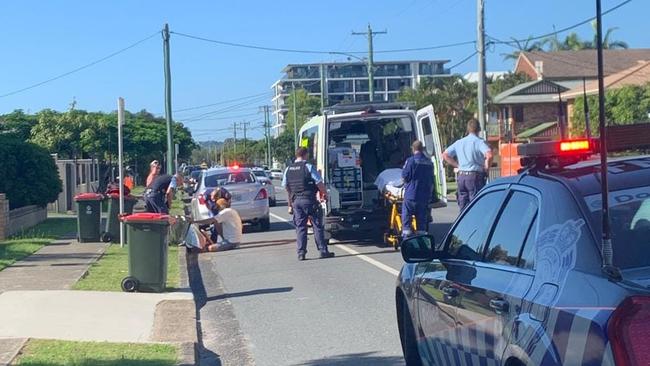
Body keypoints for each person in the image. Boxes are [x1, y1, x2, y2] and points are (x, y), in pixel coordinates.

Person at [282, 147, 335, 261]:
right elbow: (319, 183)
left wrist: (290, 204)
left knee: (301, 227)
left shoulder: (288, 169)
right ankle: (322, 250)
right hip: (310, 200)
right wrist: (325, 194)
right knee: (317, 226)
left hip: (296, 202)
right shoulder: (309, 167)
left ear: (296, 155)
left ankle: (301, 253)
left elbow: (287, 187)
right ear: (305, 154)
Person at [442, 118, 493, 211]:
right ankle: (475, 224)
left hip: (461, 177)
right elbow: (489, 155)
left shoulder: (459, 142)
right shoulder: (479, 142)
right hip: (474, 177)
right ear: (479, 129)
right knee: (475, 206)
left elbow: (445, 155)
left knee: (463, 205)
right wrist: (486, 167)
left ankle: (464, 223)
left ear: (468, 129)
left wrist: (457, 165)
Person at [401, 140, 434, 237]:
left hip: (411, 196)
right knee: (422, 225)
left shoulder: (410, 161)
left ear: (413, 149)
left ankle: (407, 240)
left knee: (407, 222)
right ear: (422, 149)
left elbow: (404, 177)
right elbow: (432, 180)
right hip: (424, 197)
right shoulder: (429, 162)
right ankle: (421, 244)